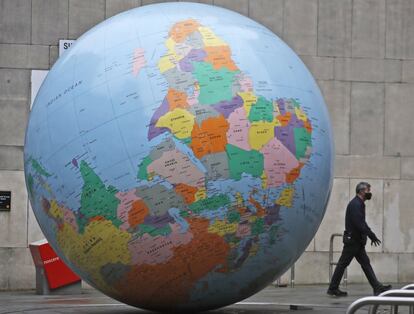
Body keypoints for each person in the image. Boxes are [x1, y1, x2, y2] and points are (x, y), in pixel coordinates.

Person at [327, 182, 392, 297]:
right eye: (368, 190)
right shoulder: (356, 204)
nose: (369, 193)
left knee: (365, 263)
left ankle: (377, 287)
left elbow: (362, 223)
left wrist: (371, 234)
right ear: (361, 191)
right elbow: (359, 224)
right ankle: (333, 288)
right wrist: (371, 235)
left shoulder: (359, 203)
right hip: (353, 241)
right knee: (343, 264)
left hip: (357, 241)